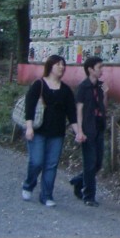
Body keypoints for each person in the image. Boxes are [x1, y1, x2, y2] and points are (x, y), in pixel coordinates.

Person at [21, 54, 82, 207]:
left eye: (63, 64)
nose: (61, 67)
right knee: (36, 162)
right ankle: (29, 184)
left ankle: (46, 195)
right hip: (38, 130)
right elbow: (29, 107)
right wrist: (29, 127)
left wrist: (78, 132)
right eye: (58, 64)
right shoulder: (38, 85)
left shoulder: (66, 90)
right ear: (50, 66)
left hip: (57, 133)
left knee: (51, 165)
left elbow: (72, 114)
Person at [69, 56, 108, 206]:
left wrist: (106, 94)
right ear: (90, 69)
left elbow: (104, 107)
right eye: (99, 67)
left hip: (99, 126)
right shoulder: (83, 87)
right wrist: (79, 130)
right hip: (87, 127)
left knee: (98, 163)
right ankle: (89, 196)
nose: (102, 70)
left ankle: (78, 181)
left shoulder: (100, 86)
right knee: (90, 163)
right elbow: (78, 110)